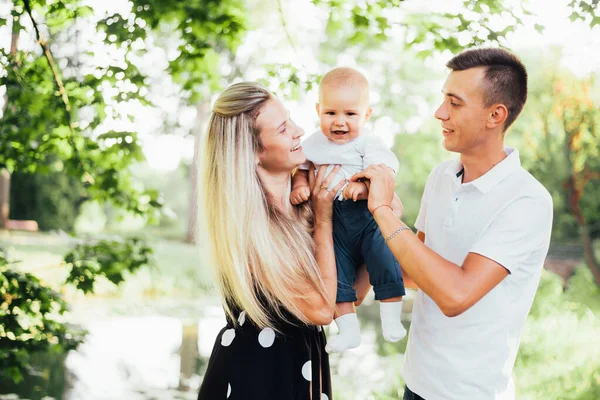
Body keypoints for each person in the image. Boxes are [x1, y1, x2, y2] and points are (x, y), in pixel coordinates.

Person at [351, 48, 553, 400]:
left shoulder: (527, 201)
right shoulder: (442, 176)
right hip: (415, 384)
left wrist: (383, 211)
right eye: (443, 99)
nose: (439, 112)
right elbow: (418, 272)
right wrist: (357, 224)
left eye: (454, 103)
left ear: (495, 115)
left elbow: (454, 295)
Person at [197, 81, 346, 400]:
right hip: (258, 377)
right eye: (282, 128)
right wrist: (324, 219)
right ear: (251, 152)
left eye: (290, 119)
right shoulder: (250, 229)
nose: (299, 130)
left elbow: (344, 298)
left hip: (301, 370)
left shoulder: (303, 210)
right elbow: (321, 310)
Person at [290, 67, 407, 353]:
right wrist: (298, 185)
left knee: (382, 257)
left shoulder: (368, 143)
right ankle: (348, 330)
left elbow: (386, 175)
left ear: (366, 115)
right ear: (318, 111)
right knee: (336, 274)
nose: (339, 122)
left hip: (365, 216)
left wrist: (366, 188)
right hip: (332, 223)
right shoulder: (313, 144)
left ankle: (391, 319)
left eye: (350, 114)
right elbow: (301, 169)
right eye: (330, 113)